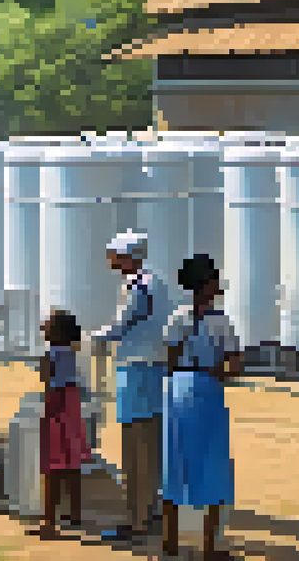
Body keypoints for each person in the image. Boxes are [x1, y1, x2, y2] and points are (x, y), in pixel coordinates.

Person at [90, 230, 179, 541]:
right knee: (151, 447)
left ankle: (137, 521)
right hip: (153, 370)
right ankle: (149, 512)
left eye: (114, 254)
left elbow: (121, 325)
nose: (109, 260)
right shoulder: (157, 284)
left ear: (128, 257)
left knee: (135, 447)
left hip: (137, 370)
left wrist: (89, 338)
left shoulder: (138, 286)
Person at [162, 253, 243, 561]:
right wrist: (214, 372)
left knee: (174, 462)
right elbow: (234, 365)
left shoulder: (176, 318)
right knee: (213, 464)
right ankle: (209, 548)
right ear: (207, 284)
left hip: (177, 390)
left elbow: (169, 361)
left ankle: (170, 542)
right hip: (207, 390)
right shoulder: (221, 321)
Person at [33, 309, 91, 540]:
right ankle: (75, 514)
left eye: (47, 324)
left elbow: (47, 381)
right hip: (72, 407)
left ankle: (48, 522)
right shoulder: (73, 353)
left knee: (52, 466)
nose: (43, 327)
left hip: (56, 405)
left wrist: (46, 414)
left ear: (57, 333)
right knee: (72, 463)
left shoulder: (51, 354)